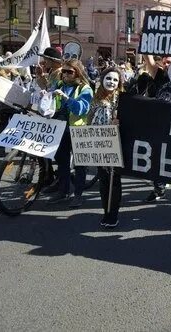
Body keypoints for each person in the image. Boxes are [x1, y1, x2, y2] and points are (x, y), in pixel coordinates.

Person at [46, 59, 94, 207]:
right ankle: (63, 191)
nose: (65, 74)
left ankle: (78, 194)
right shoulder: (59, 84)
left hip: (78, 130)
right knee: (62, 162)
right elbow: (49, 98)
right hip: (60, 128)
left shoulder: (85, 88)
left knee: (80, 165)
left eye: (69, 72)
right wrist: (46, 94)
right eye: (64, 71)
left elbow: (81, 109)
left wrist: (67, 98)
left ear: (77, 73)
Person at [86, 67, 123, 227]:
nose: (111, 82)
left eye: (115, 80)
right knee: (103, 180)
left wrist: (118, 122)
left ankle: (113, 214)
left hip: (115, 144)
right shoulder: (95, 98)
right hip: (99, 142)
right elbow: (89, 118)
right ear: (102, 79)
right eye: (109, 78)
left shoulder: (121, 99)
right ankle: (106, 212)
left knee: (113, 180)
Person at [141, 55, 171, 202]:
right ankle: (159, 188)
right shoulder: (160, 75)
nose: (167, 65)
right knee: (155, 156)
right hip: (159, 124)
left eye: (170, 63)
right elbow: (149, 61)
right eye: (165, 62)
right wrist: (144, 36)